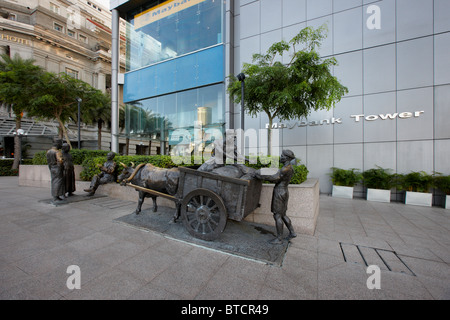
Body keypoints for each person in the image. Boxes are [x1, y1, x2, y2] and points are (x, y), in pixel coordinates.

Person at [255, 149, 297, 244]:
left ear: (287, 158)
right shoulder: (289, 167)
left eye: (282, 156)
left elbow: (275, 178)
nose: (280, 157)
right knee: (283, 214)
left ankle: (279, 238)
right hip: (285, 191)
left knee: (277, 215)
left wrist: (262, 176)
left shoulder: (285, 169)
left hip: (279, 192)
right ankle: (292, 232)